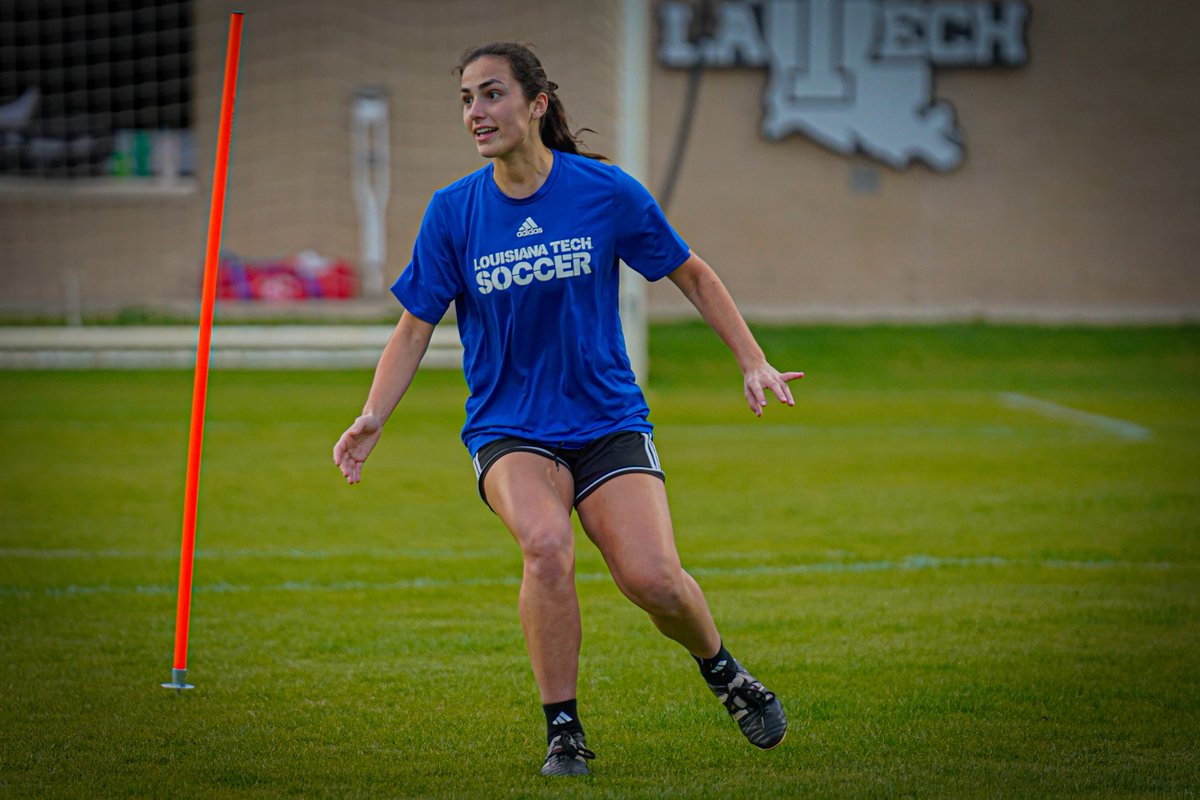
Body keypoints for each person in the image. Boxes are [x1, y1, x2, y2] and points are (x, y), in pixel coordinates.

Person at [333, 42, 803, 778]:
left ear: (536, 104)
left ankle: (725, 673)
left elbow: (692, 273)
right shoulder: (453, 212)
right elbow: (415, 325)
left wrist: (752, 359)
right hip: (509, 429)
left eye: (491, 95)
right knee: (547, 546)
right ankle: (564, 732)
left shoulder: (605, 192)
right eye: (466, 99)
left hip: (607, 420)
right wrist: (372, 416)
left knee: (651, 578)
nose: (477, 113)